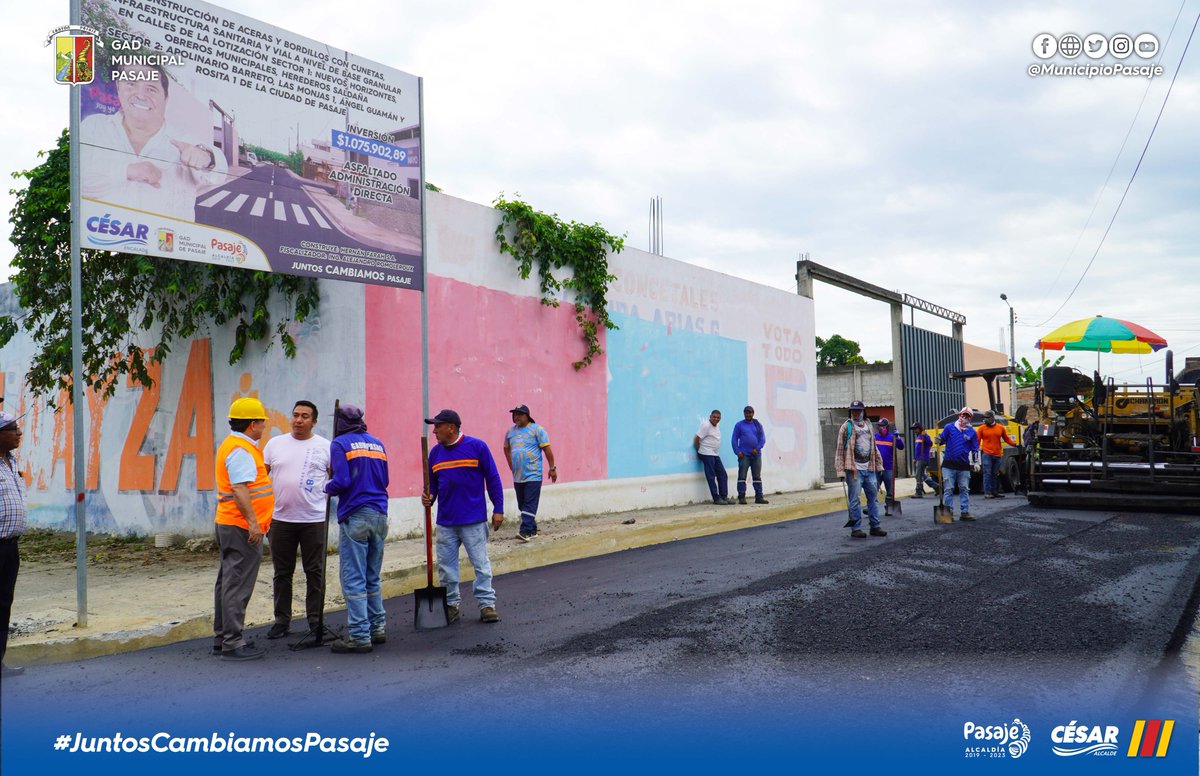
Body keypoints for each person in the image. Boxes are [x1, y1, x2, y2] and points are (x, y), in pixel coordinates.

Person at [81, 61, 227, 222]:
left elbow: (219, 172)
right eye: (131, 84)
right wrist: (128, 171)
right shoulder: (95, 126)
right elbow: (77, 180)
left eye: (151, 89)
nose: (140, 96)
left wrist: (207, 158)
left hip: (167, 237)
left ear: (166, 98)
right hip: (103, 235)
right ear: (118, 88)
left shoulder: (183, 140)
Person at [422, 409, 504, 624]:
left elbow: (493, 478)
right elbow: (432, 485)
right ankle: (451, 605)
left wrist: (498, 508)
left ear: (451, 427)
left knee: (481, 565)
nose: (434, 431)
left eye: (438, 426)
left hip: (473, 520)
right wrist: (429, 496)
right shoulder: (435, 454)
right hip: (446, 522)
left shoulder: (477, 447)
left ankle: (486, 604)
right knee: (446, 568)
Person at [262, 400, 330, 640]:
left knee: (315, 572)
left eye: (305, 416)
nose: (299, 420)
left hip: (314, 519)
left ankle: (315, 621)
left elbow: (336, 478)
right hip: (281, 519)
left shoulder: (325, 447)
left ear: (314, 421)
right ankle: (281, 621)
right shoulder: (274, 445)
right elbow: (261, 479)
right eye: (296, 415)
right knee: (282, 573)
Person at [324, 405, 389, 653]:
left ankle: (360, 635)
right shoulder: (377, 443)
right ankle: (377, 627)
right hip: (379, 513)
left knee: (353, 577)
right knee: (372, 575)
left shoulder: (339, 444)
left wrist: (325, 486)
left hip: (355, 513)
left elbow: (342, 481)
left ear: (341, 422)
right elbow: (385, 480)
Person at [212, 397, 274, 661]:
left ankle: (223, 637)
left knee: (228, 581)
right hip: (241, 526)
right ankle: (232, 641)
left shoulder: (235, 445)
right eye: (262, 422)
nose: (264, 426)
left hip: (231, 523)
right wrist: (253, 524)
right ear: (252, 424)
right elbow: (239, 489)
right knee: (237, 583)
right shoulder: (241, 450)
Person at [503, 404, 557, 541]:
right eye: (515, 414)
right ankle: (532, 530)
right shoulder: (510, 432)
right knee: (522, 504)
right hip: (518, 476)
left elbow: (547, 450)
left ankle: (525, 531)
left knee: (529, 503)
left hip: (533, 474)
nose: (516, 417)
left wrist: (552, 468)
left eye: (520, 414)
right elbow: (506, 448)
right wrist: (510, 463)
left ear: (527, 416)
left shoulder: (537, 430)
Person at [0, 412, 27, 677]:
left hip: (10, 548)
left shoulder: (12, 462)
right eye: (12, 429)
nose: (19, 434)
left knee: (4, 604)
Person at [834, 400, 886, 538]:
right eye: (853, 411)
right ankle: (856, 529)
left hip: (869, 469)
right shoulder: (846, 427)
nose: (856, 413)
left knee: (873, 499)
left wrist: (878, 464)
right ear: (850, 412)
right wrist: (840, 470)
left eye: (858, 410)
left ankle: (875, 526)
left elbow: (874, 447)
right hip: (854, 470)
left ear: (863, 411)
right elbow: (839, 450)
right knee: (854, 500)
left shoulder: (869, 425)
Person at [938, 407, 981, 521]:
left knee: (964, 489)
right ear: (959, 415)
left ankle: (964, 512)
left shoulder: (972, 432)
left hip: (964, 466)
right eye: (963, 415)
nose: (964, 417)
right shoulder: (949, 427)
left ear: (970, 418)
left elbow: (975, 448)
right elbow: (942, 440)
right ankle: (948, 513)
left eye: (967, 416)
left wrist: (976, 462)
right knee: (948, 489)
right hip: (949, 465)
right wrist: (938, 440)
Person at [694, 410, 734, 505]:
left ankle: (724, 496)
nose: (716, 419)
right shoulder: (706, 425)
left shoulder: (716, 425)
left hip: (715, 454)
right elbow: (696, 438)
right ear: (710, 417)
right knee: (711, 476)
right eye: (714, 417)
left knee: (723, 474)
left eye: (718, 417)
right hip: (706, 453)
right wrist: (698, 450)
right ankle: (716, 498)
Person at [732, 405, 769, 505]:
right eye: (746, 412)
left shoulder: (758, 425)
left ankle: (759, 497)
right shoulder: (739, 425)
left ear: (753, 413)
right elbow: (734, 439)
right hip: (744, 455)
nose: (748, 414)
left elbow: (762, 439)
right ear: (744, 413)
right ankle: (741, 497)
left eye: (750, 412)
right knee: (742, 476)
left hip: (756, 455)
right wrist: (737, 451)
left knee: (757, 477)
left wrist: (757, 448)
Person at [978, 410, 1017, 499]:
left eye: (987, 418)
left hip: (997, 455)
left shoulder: (1000, 428)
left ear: (992, 418)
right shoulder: (981, 428)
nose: (985, 419)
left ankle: (994, 491)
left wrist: (1015, 445)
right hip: (986, 454)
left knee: (995, 474)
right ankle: (987, 492)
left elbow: (1006, 439)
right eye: (984, 418)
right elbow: (977, 440)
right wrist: (975, 451)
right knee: (987, 473)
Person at [873, 418, 905, 516]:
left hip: (888, 468)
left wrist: (898, 437)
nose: (880, 427)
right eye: (879, 426)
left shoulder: (892, 437)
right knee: (873, 489)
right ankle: (872, 508)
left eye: (882, 426)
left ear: (886, 427)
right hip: (877, 468)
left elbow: (901, 447)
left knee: (890, 491)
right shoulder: (875, 437)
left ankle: (889, 508)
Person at [909, 422, 939, 497]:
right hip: (919, 458)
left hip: (923, 458)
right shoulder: (919, 437)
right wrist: (915, 458)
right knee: (922, 475)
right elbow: (918, 449)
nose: (914, 431)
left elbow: (930, 443)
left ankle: (918, 492)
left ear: (919, 429)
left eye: (915, 429)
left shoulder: (925, 436)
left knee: (918, 476)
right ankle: (936, 487)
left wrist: (925, 436)